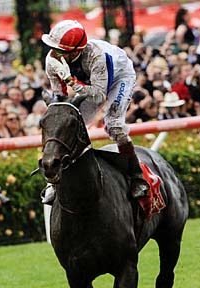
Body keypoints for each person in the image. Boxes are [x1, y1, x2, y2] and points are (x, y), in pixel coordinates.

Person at [41, 19, 149, 204]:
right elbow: (60, 95)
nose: (55, 54)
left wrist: (70, 80)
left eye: (60, 51)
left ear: (76, 51)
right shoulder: (52, 59)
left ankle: (136, 175)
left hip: (118, 78)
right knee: (67, 122)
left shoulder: (96, 56)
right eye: (53, 49)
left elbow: (99, 96)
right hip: (91, 82)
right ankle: (56, 180)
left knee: (113, 125)